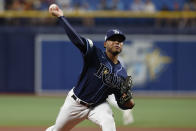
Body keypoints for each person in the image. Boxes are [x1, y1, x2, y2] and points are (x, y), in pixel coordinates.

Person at [46, 3, 135, 131]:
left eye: (120, 40)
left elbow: (122, 102)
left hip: (98, 106)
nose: (117, 42)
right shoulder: (95, 54)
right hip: (75, 103)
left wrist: (128, 102)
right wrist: (61, 17)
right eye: (113, 39)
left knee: (108, 120)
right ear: (105, 43)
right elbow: (77, 40)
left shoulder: (122, 73)